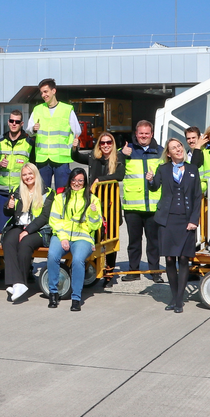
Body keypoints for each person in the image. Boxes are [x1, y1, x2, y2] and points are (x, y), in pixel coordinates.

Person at [147, 138, 202, 313]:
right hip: (167, 219)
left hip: (186, 219)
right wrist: (150, 180)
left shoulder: (193, 169)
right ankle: (174, 296)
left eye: (179, 146)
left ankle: (179, 300)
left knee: (184, 258)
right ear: (168, 154)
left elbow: (197, 196)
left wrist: (194, 220)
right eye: (174, 148)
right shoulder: (163, 169)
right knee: (169, 258)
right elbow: (155, 188)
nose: (178, 149)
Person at [47, 167, 103, 311]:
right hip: (61, 235)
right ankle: (53, 292)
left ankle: (76, 298)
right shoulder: (61, 197)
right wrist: (63, 238)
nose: (76, 183)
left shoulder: (92, 199)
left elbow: (95, 225)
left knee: (78, 260)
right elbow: (54, 220)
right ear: (69, 180)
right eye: (74, 180)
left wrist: (94, 213)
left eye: (80, 181)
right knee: (52, 255)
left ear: (85, 182)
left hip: (82, 237)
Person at [1, 163, 54, 303]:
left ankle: (20, 282)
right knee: (8, 241)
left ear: (36, 174)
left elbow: (44, 217)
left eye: (30, 174)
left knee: (25, 244)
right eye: (24, 175)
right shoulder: (17, 190)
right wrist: (9, 206)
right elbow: (7, 213)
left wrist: (28, 230)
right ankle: (16, 282)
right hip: (18, 225)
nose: (27, 177)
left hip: (39, 229)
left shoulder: (47, 192)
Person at [120, 120, 164, 283]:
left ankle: (155, 271)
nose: (143, 136)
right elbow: (112, 164)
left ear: (151, 134)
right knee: (134, 242)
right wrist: (121, 154)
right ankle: (133, 271)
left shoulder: (161, 152)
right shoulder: (127, 151)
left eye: (146, 133)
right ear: (136, 134)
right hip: (133, 207)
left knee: (154, 242)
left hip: (153, 206)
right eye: (140, 133)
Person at [27, 78, 80, 191]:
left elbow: (77, 131)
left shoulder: (67, 109)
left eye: (46, 91)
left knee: (62, 193)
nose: (43, 95)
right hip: (43, 159)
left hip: (61, 159)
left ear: (53, 91)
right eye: (41, 92)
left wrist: (75, 143)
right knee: (42, 193)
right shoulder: (37, 109)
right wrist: (33, 129)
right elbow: (29, 130)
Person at [86, 131, 124, 287]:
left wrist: (99, 180)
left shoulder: (118, 157)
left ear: (113, 144)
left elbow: (120, 175)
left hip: (111, 205)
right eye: (103, 143)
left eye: (109, 142)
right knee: (95, 238)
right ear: (99, 144)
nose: (106, 145)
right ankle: (94, 271)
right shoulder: (94, 157)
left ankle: (109, 273)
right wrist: (74, 148)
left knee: (110, 240)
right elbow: (75, 157)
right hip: (95, 205)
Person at [0, 110, 35, 233]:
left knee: (21, 232)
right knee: (0, 232)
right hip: (2, 194)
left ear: (22, 123)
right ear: (8, 122)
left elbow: (35, 170)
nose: (14, 123)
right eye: (11, 121)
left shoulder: (29, 144)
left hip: (22, 194)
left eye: (17, 121)